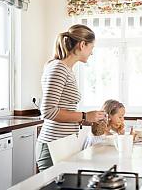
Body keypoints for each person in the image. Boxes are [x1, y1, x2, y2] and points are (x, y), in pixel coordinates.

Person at [36, 24, 107, 172]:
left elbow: (63, 110)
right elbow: (48, 111)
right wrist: (85, 115)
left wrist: (88, 119)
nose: (92, 53)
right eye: (91, 48)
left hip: (63, 143)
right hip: (53, 145)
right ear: (82, 45)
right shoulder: (58, 68)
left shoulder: (66, 69)